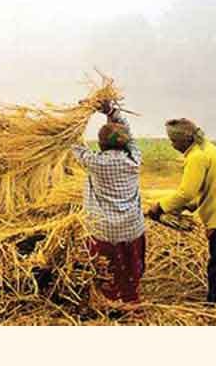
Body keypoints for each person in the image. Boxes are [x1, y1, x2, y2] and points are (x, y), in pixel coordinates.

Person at [146, 118, 216, 303]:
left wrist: (160, 207)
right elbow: (202, 191)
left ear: (185, 140)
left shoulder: (196, 157)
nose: (172, 144)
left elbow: (186, 192)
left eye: (173, 140)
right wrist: (185, 207)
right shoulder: (208, 149)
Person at [70, 100, 145, 305]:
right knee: (129, 267)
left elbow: (72, 144)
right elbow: (127, 133)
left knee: (106, 270)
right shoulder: (134, 160)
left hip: (103, 230)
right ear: (124, 143)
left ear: (101, 144)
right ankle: (130, 299)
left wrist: (77, 119)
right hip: (131, 228)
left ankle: (107, 302)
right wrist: (111, 112)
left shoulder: (94, 162)